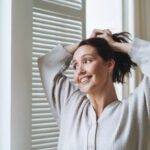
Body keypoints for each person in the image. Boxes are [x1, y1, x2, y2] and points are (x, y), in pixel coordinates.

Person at [38, 29, 150, 150]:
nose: (80, 71)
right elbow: (47, 63)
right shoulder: (70, 106)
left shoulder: (134, 110)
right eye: (75, 66)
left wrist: (114, 45)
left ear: (109, 65)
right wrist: (86, 42)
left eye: (87, 61)